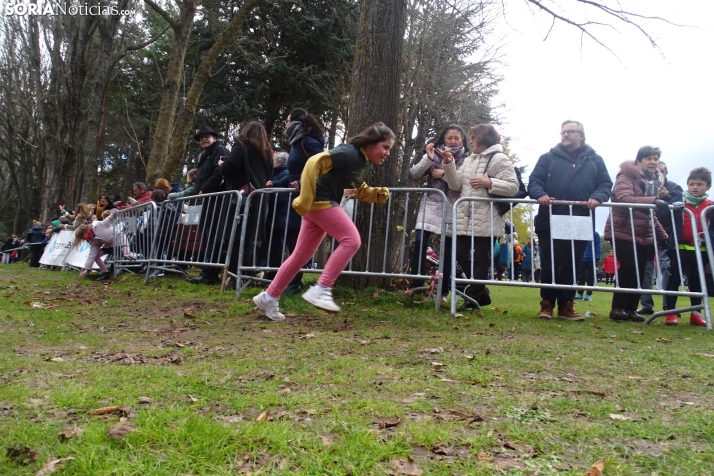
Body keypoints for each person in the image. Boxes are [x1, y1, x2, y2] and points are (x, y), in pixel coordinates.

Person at [253, 122, 393, 320]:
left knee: (299, 256)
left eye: (389, 149)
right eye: (385, 147)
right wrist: (305, 197)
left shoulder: (365, 162)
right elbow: (314, 162)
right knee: (351, 240)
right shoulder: (349, 153)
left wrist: (374, 194)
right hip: (320, 201)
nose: (387, 153)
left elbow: (354, 187)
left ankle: (269, 296)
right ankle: (322, 288)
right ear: (372, 142)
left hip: (322, 203)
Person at [528, 120, 613, 321]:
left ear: (581, 135)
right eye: (563, 132)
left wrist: (597, 196)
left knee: (572, 264)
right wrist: (540, 194)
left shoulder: (596, 160)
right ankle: (546, 304)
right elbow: (534, 181)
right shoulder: (547, 158)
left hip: (580, 219)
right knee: (549, 263)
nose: (565, 135)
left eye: (571, 131)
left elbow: (605, 184)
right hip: (549, 217)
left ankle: (566, 306)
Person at [442, 124, 519, 311]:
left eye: (473, 137)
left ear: (483, 139)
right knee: (460, 253)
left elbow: (513, 187)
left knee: (481, 261)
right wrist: (449, 163)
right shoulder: (469, 160)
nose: (470, 141)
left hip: (487, 219)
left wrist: (490, 182)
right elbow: (456, 185)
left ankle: (473, 299)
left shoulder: (499, 159)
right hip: (464, 218)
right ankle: (481, 293)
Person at [202, 121, 274, 287]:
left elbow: (231, 166)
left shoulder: (241, 145)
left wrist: (221, 165)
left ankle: (236, 278)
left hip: (240, 198)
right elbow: (269, 173)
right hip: (259, 199)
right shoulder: (266, 153)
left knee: (234, 238)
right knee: (248, 239)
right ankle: (247, 274)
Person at [604, 146, 669, 322]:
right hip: (623, 229)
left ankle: (631, 309)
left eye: (656, 158)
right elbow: (625, 199)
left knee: (640, 272)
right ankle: (617, 308)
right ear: (639, 160)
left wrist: (662, 235)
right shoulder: (626, 176)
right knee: (628, 268)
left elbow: (650, 213)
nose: (653, 162)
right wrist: (653, 200)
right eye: (649, 158)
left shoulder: (652, 182)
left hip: (643, 233)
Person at [407, 125, 470, 300]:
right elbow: (414, 174)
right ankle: (416, 283)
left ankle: (442, 290)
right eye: (449, 138)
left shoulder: (467, 159)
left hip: (452, 206)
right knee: (420, 241)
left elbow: (461, 184)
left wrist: (444, 173)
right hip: (431, 203)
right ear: (444, 139)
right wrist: (428, 158)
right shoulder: (434, 153)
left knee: (449, 250)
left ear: (462, 140)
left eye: (457, 138)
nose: (453, 141)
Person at [273, 108, 327, 295]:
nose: (286, 125)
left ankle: (294, 282)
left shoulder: (307, 141)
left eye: (287, 121)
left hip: (305, 196)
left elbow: (321, 167)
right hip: (296, 196)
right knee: (293, 237)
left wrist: (303, 182)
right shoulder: (298, 141)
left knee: (296, 238)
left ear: (296, 122)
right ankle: (293, 281)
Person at [662, 167, 713, 326]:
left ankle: (696, 314)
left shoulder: (710, 206)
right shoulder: (679, 201)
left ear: (708, 186)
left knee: (697, 282)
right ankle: (670, 313)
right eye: (692, 184)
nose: (695, 187)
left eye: (699, 184)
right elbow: (664, 216)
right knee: (674, 279)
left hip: (701, 249)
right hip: (680, 248)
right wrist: (672, 207)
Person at [637, 160, 683, 315]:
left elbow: (678, 209)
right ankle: (646, 305)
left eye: (661, 171)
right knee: (645, 271)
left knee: (667, 269)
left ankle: (668, 307)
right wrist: (653, 196)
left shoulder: (675, 188)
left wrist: (667, 198)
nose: (657, 174)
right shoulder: (643, 186)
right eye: (654, 171)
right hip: (647, 234)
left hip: (668, 236)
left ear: (666, 173)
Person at [187, 125, 230, 285]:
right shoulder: (203, 156)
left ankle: (209, 272)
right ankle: (208, 272)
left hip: (217, 200)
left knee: (213, 236)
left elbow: (220, 173)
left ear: (215, 137)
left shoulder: (220, 151)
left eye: (207, 136)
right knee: (207, 236)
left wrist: (205, 189)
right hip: (206, 200)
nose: (204, 138)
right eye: (201, 137)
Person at [74, 209, 135, 281]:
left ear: (85, 231)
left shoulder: (99, 225)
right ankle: (105, 272)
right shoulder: (92, 241)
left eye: (82, 236)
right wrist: (86, 269)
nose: (83, 239)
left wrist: (115, 212)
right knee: (96, 256)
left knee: (127, 255)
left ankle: (141, 260)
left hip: (120, 240)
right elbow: (92, 255)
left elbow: (109, 219)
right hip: (110, 246)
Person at [575, 231, 602, 301]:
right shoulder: (580, 233)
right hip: (581, 258)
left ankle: (588, 294)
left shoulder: (595, 234)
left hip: (591, 259)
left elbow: (598, 246)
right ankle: (580, 294)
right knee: (581, 277)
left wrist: (597, 258)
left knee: (590, 277)